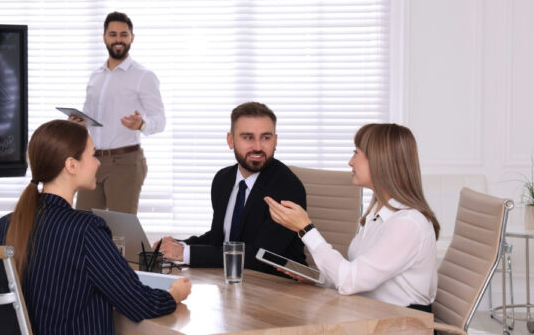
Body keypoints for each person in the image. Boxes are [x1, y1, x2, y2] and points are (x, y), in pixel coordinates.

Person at [0, 120, 190, 334]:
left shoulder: (5, 225)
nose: (98, 163)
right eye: (93, 154)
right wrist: (174, 294)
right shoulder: (87, 229)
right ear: (71, 165)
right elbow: (138, 302)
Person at [265, 123, 439, 311]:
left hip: (401, 325)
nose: (350, 161)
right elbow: (359, 282)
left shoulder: (407, 224)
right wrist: (318, 280)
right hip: (370, 316)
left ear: (379, 160)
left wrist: (305, 229)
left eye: (356, 153)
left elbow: (349, 282)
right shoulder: (376, 216)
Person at [156, 102, 307, 274]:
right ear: (230, 140)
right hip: (233, 281)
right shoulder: (223, 180)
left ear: (275, 141)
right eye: (248, 137)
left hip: (278, 287)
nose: (258, 147)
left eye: (266, 137)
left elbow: (261, 256)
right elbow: (220, 238)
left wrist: (186, 253)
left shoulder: (287, 187)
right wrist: (178, 246)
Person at [72, 11, 165, 214]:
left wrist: (141, 124)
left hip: (125, 163)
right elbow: (90, 115)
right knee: (82, 223)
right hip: (92, 161)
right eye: (113, 34)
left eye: (124, 34)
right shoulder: (96, 76)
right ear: (105, 37)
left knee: (121, 231)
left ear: (132, 37)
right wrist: (80, 121)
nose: (118, 39)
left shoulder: (143, 76)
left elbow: (159, 119)